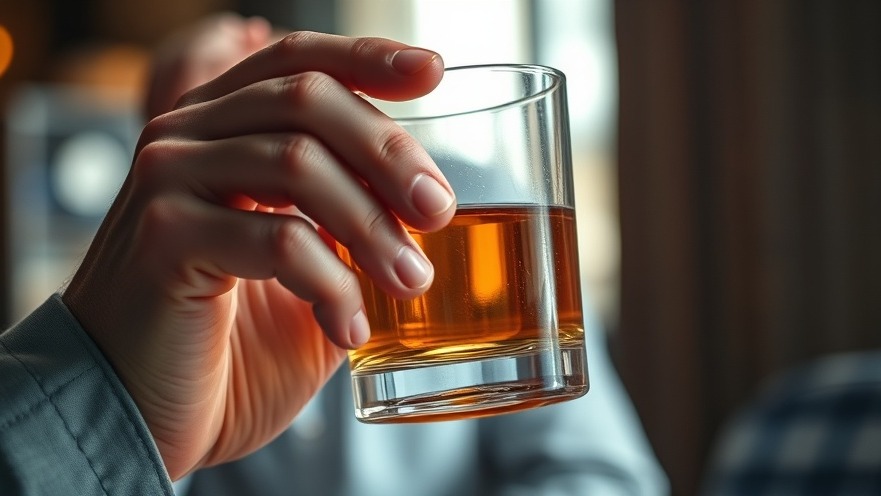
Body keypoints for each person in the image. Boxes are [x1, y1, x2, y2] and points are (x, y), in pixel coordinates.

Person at [0, 14, 668, 495]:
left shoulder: (470, 198)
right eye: (186, 122)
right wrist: (125, 420)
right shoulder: (148, 286)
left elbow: (603, 477)